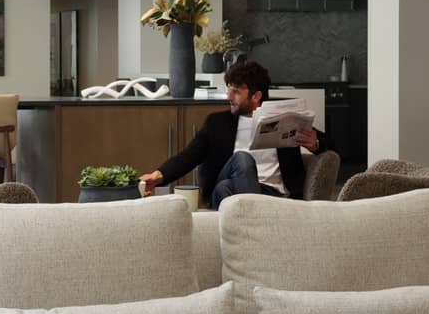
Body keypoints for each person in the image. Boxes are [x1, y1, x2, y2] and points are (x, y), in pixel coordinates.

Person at [140, 61, 334, 210]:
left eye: (235, 92)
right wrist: (159, 176)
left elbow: (332, 144)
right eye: (229, 90)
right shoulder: (217, 123)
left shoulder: (285, 119)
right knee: (242, 159)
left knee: (226, 188)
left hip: (274, 194)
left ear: (256, 96)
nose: (229, 97)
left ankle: (246, 226)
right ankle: (255, 218)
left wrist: (315, 143)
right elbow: (189, 155)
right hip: (244, 196)